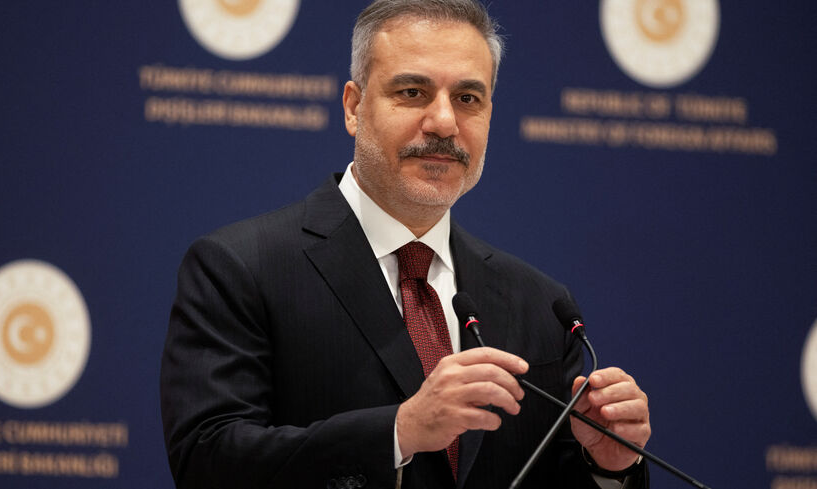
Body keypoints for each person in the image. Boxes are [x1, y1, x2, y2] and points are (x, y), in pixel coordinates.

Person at [160, 1, 651, 488]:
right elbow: (208, 462)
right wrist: (399, 432)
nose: (443, 123)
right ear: (354, 107)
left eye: (467, 99)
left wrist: (608, 468)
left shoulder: (541, 305)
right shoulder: (242, 268)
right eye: (413, 91)